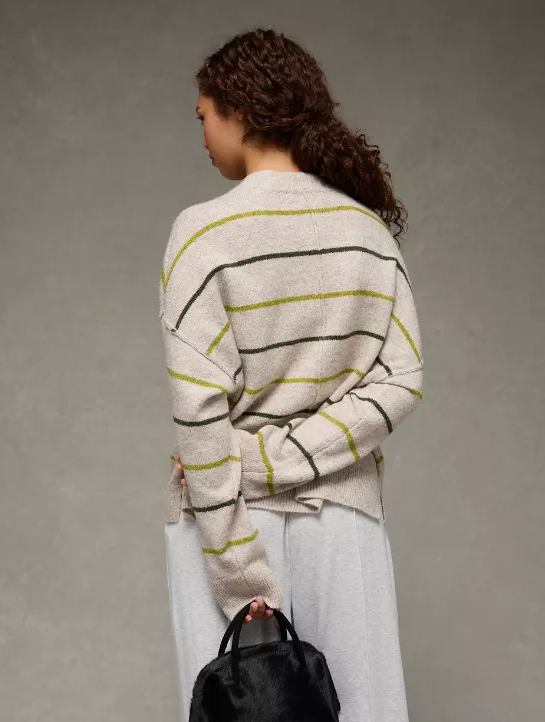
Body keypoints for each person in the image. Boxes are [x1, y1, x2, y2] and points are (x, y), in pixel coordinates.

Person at [159, 27, 423, 722]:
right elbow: (400, 381)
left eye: (204, 116)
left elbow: (198, 414)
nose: (202, 134)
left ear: (238, 111)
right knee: (366, 710)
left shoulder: (202, 233)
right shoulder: (366, 233)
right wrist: (288, 458)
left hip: (225, 517)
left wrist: (239, 566)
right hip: (341, 513)